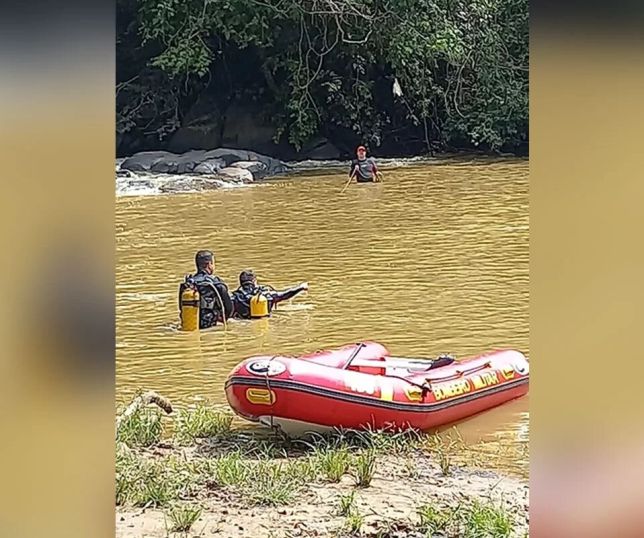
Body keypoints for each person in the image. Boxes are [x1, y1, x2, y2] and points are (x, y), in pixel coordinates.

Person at [179, 250, 233, 329]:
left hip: (191, 323)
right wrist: (223, 319)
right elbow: (229, 308)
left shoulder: (188, 284)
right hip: (210, 324)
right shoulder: (215, 283)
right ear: (209, 264)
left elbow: (181, 308)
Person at [232, 270, 308, 319]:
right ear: (254, 281)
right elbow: (284, 295)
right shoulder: (265, 294)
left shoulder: (235, 296)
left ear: (240, 282)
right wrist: (300, 287)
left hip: (244, 324)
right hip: (264, 322)